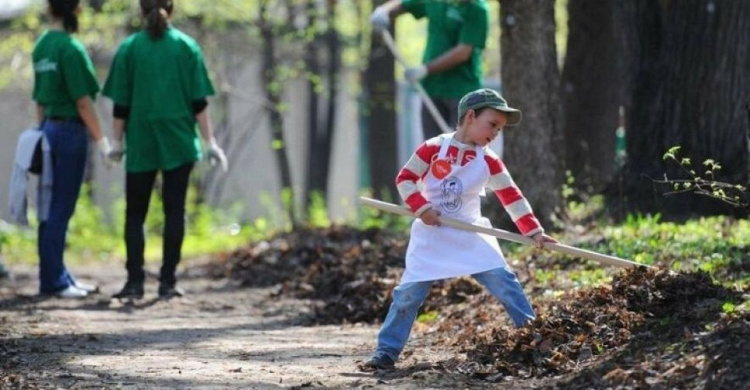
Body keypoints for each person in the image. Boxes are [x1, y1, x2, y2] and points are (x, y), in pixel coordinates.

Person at [363, 88, 557, 370]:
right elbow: (405, 179)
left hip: (471, 233)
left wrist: (534, 231)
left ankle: (536, 339)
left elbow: (511, 196)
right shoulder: (432, 148)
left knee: (506, 284)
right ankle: (386, 352)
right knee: (407, 295)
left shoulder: (489, 160)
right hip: (432, 233)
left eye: (500, 129)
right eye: (492, 124)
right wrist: (422, 208)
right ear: (470, 116)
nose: (495, 133)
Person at [102, 0, 227, 300]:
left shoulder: (130, 48)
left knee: (135, 214)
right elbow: (199, 103)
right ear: (171, 10)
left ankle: (134, 283)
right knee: (175, 212)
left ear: (141, 10)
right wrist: (210, 142)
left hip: (142, 142)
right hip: (179, 141)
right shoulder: (186, 47)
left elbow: (121, 104)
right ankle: (168, 282)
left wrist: (117, 143)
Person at [31, 0, 110, 298]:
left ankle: (56, 274)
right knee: (61, 207)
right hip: (70, 132)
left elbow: (39, 99)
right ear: (74, 10)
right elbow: (83, 102)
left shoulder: (41, 47)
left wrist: (41, 133)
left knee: (48, 207)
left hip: (49, 128)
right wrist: (102, 141)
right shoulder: (71, 49)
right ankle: (55, 281)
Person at [370, 0, 490, 140]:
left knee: (462, 150)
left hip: (462, 91)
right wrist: (383, 11)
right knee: (433, 148)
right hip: (432, 88)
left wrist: (425, 69)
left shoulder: (477, 9)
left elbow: (463, 52)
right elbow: (404, 4)